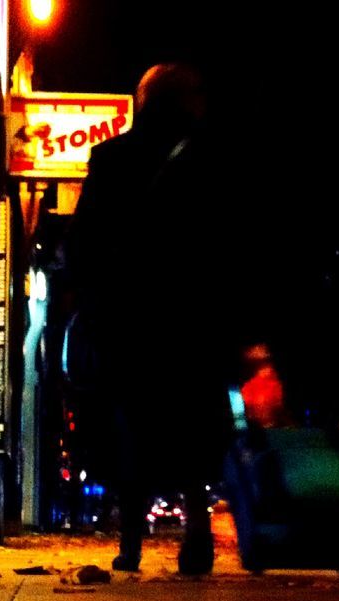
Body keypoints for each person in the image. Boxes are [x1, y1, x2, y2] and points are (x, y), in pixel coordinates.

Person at [69, 62, 255, 574]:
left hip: (128, 317)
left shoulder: (110, 157)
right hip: (193, 317)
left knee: (134, 425)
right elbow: (231, 245)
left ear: (143, 100)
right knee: (196, 426)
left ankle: (130, 543)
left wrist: (96, 298)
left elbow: (83, 241)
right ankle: (197, 535)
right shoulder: (211, 158)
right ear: (185, 101)